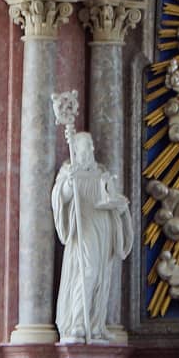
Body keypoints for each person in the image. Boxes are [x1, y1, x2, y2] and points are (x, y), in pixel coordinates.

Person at [51, 131, 135, 342]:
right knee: (87, 271)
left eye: (91, 146)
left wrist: (118, 204)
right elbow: (60, 197)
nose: (91, 150)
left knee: (102, 276)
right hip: (84, 225)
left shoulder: (102, 172)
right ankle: (78, 321)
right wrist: (70, 184)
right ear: (77, 149)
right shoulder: (69, 170)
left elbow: (111, 197)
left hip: (103, 225)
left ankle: (96, 324)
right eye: (86, 146)